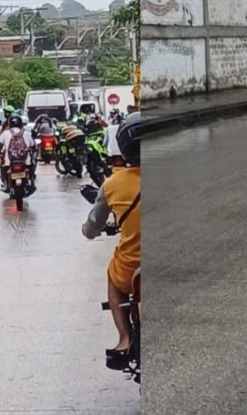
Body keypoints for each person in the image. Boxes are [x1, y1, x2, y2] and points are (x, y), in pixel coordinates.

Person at [83, 112, 141, 371]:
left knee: (113, 276)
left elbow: (93, 225)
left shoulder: (112, 184)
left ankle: (124, 338)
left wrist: (88, 231)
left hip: (132, 266)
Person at [0, 114, 35, 190]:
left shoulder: (5, 133)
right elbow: (33, 146)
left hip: (9, 162)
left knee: (2, 166)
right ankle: (31, 181)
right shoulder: (26, 133)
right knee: (32, 165)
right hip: (25, 162)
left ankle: (5, 183)